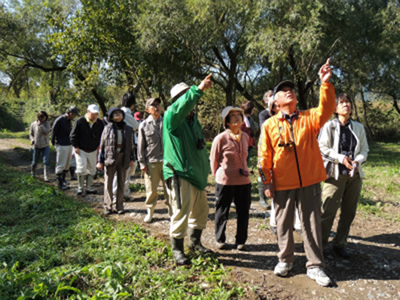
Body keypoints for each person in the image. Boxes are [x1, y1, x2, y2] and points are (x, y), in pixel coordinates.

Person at [258, 59, 335, 287]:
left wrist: (325, 84)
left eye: (290, 90)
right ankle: (285, 260)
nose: (288, 92)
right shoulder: (270, 124)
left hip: (309, 181)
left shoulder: (309, 118)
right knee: (283, 224)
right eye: (283, 91)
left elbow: (327, 109)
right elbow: (263, 156)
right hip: (281, 183)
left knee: (311, 223)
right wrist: (266, 183)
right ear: (275, 101)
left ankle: (315, 265)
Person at [163, 74, 213, 265]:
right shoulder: (172, 117)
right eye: (184, 96)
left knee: (201, 212)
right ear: (178, 100)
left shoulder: (194, 122)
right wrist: (197, 89)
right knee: (181, 211)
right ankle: (177, 250)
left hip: (197, 176)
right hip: (180, 172)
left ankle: (195, 242)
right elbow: (180, 107)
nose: (188, 100)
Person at [318, 93, 369, 258]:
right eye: (342, 102)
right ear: (335, 108)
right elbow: (322, 147)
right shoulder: (329, 126)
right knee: (328, 210)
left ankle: (340, 243)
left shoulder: (358, 127)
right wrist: (341, 158)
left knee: (349, 211)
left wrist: (357, 161)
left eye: (348, 102)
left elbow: (364, 150)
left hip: (354, 175)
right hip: (335, 174)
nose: (346, 105)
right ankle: (320, 244)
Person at [210, 106, 251, 251]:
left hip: (244, 181)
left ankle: (241, 241)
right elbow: (213, 160)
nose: (236, 117)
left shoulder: (245, 137)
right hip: (225, 182)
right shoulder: (220, 138)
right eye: (232, 115)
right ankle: (220, 239)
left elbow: (246, 157)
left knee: (243, 212)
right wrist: (218, 177)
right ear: (226, 121)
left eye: (239, 115)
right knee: (222, 211)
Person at [138, 97, 171, 223]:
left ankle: (171, 212)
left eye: (158, 104)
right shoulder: (144, 125)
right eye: (153, 105)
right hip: (151, 161)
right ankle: (150, 212)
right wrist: (141, 163)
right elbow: (141, 146)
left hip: (167, 162)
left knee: (170, 188)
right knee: (151, 189)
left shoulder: (167, 122)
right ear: (147, 110)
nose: (156, 107)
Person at [97, 108, 134, 215]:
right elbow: (102, 146)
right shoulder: (107, 128)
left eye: (119, 113)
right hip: (109, 158)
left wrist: (132, 158)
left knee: (121, 182)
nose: (118, 115)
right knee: (108, 183)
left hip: (123, 157)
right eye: (115, 114)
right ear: (111, 117)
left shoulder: (128, 129)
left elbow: (131, 146)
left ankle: (119, 206)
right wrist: (100, 161)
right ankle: (108, 206)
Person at [70, 104, 104, 195]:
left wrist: (100, 146)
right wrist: (75, 146)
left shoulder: (100, 123)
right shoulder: (80, 121)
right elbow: (73, 135)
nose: (94, 116)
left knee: (92, 168)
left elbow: (102, 136)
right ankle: (80, 187)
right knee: (81, 168)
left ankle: (89, 187)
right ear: (88, 112)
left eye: (96, 114)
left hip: (93, 149)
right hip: (81, 149)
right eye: (92, 114)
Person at [113, 93, 140, 201]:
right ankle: (119, 195)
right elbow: (136, 126)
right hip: (125, 147)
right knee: (123, 172)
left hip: (119, 146)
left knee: (123, 172)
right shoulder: (126, 114)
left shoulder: (118, 112)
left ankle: (123, 194)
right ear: (132, 104)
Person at [51, 106, 79, 190]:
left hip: (69, 144)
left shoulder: (69, 121)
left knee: (67, 164)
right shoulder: (60, 120)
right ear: (70, 113)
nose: (74, 116)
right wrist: (54, 143)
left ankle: (63, 180)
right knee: (61, 164)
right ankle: (60, 183)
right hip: (61, 144)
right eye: (74, 115)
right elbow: (53, 132)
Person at [29, 111, 51, 182]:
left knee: (46, 161)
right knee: (35, 161)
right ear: (39, 117)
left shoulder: (47, 123)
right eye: (43, 118)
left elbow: (47, 132)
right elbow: (31, 134)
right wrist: (32, 140)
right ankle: (33, 172)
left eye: (45, 117)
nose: (44, 119)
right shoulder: (33, 124)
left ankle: (46, 176)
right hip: (36, 145)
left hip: (45, 145)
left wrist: (41, 126)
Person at [240, 100, 259, 166]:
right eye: (253, 109)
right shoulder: (240, 118)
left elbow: (256, 127)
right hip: (241, 143)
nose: (253, 110)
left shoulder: (249, 118)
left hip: (249, 143)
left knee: (246, 162)